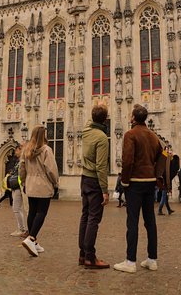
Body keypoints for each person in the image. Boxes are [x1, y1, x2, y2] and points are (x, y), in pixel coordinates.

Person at [114, 104, 165, 273]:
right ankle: (152, 259)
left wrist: (125, 182)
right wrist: (155, 175)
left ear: (133, 118)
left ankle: (130, 261)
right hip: (150, 182)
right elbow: (162, 155)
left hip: (135, 183)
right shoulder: (153, 135)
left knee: (132, 221)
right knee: (150, 221)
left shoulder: (130, 134)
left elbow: (127, 161)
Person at [78, 105, 111, 269]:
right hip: (94, 181)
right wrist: (105, 190)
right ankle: (90, 256)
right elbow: (101, 166)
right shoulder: (101, 137)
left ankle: (82, 254)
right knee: (93, 219)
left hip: (84, 179)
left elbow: (91, 121)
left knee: (85, 216)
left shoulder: (86, 131)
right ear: (105, 119)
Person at [19, 126, 59, 257]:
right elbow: (51, 170)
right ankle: (31, 239)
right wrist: (55, 182)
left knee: (32, 212)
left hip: (30, 185)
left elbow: (22, 168)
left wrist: (24, 182)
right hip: (43, 185)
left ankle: (34, 242)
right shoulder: (47, 150)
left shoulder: (26, 150)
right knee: (41, 212)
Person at [7, 144, 27, 237]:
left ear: (21, 150)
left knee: (16, 208)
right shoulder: (18, 161)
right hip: (15, 187)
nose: (15, 152)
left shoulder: (23, 160)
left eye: (16, 150)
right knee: (18, 209)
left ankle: (21, 229)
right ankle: (21, 228)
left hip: (19, 187)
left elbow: (23, 173)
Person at [158, 149, 179, 216]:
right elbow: (175, 166)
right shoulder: (165, 163)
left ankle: (169, 210)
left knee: (165, 197)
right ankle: (160, 210)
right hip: (164, 183)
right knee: (164, 197)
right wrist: (174, 155)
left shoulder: (167, 163)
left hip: (164, 182)